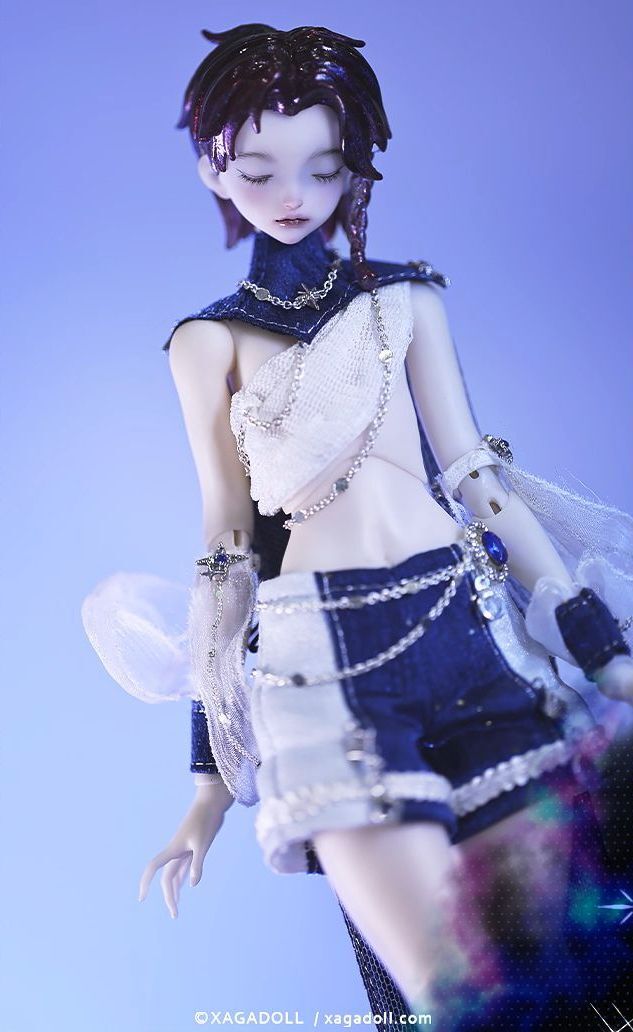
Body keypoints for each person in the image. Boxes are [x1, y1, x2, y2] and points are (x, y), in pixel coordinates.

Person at [81, 23, 633, 1027]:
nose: (293, 194)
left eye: (325, 168)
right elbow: (229, 544)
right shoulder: (206, 344)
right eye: (258, 171)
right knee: (461, 1000)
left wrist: (601, 649)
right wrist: (209, 778)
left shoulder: (408, 302)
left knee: (572, 969)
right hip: (324, 668)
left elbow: (475, 476)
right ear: (213, 167)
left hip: (465, 629)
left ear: (357, 165)